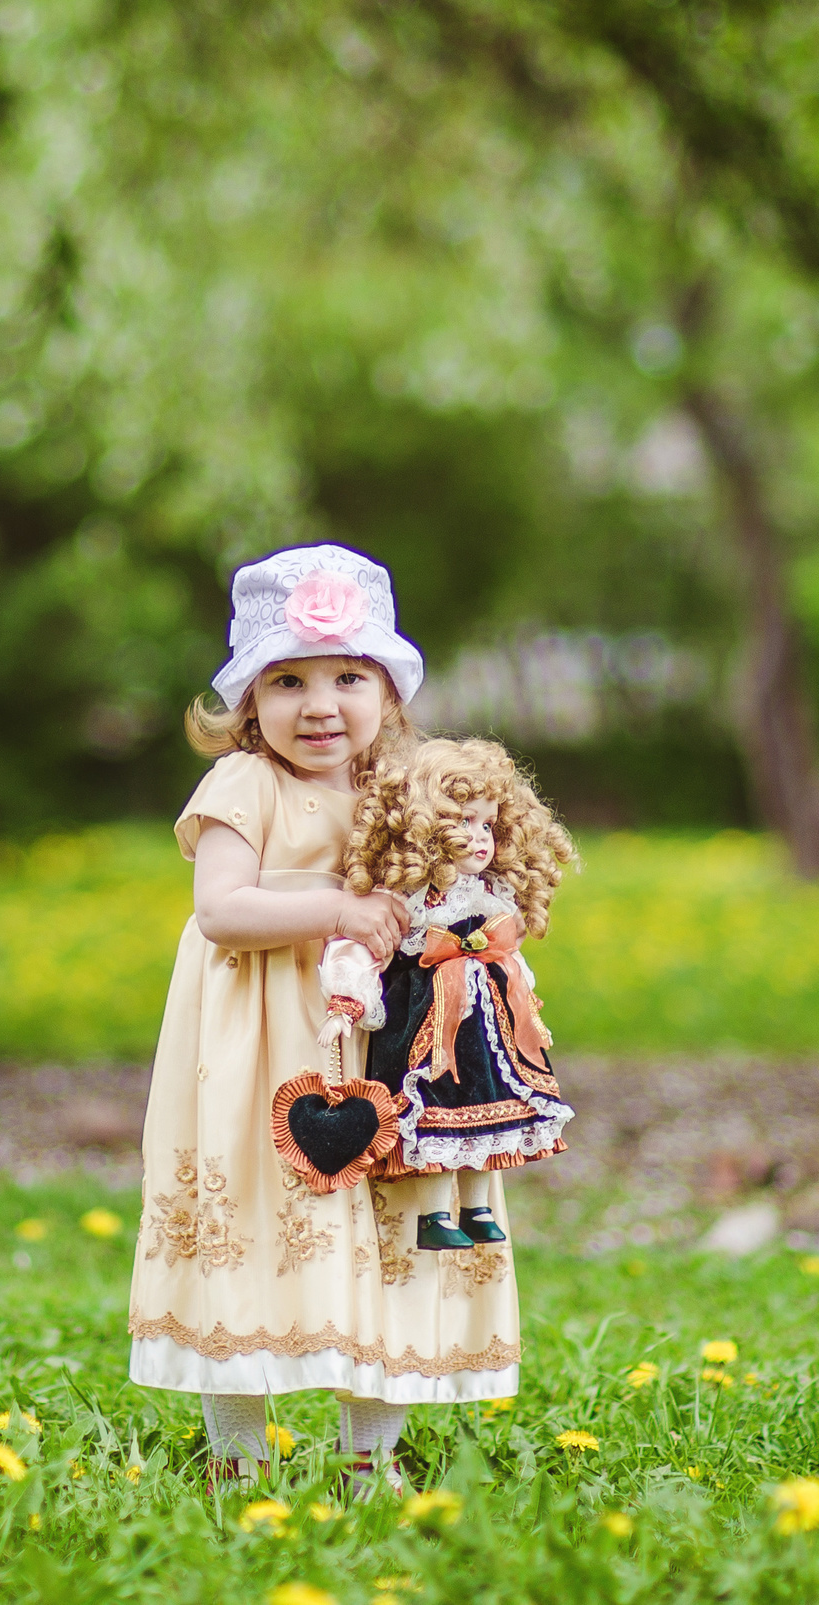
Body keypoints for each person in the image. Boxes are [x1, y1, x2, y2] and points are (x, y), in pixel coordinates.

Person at [127, 543, 520, 1492]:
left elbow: (447, 885)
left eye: (350, 675)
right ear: (247, 702)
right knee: (250, 1222)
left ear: (388, 691)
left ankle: (366, 1456)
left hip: (380, 1046)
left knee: (388, 1231)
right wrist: (338, 910)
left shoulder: (404, 791)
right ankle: (237, 1452)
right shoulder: (246, 787)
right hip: (258, 1050)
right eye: (288, 679)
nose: (320, 704)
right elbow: (222, 908)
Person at [326, 737, 577, 1251]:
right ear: (423, 829)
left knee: (491, 1102)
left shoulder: (488, 895)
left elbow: (507, 952)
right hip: (425, 1019)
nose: (481, 838)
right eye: (465, 822)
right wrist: (347, 1002)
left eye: (487, 824)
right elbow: (361, 950)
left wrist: (520, 993)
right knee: (436, 1111)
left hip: (484, 1026)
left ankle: (478, 1207)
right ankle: (436, 1214)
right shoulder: (408, 902)